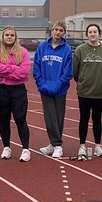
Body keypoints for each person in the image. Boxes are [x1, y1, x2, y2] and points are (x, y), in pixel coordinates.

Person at [0, 25, 34, 161]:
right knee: (4, 119)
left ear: (15, 37)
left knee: (20, 119)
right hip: (0, 89)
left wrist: (7, 72)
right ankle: (6, 147)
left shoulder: (23, 52)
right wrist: (14, 68)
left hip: (18, 90)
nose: (9, 37)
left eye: (12, 35)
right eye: (7, 35)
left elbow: (24, 71)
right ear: (2, 37)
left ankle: (25, 149)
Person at [72, 22, 102, 159]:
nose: (92, 34)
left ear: (99, 33)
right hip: (84, 91)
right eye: (90, 32)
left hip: (99, 91)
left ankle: (98, 146)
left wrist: (99, 80)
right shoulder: (80, 50)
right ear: (87, 34)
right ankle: (82, 146)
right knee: (84, 118)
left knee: (97, 119)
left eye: (95, 32)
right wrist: (82, 81)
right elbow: (75, 71)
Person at [34, 20, 74, 158]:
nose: (58, 32)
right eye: (56, 29)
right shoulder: (42, 47)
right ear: (52, 30)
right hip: (45, 88)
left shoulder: (66, 49)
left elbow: (68, 71)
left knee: (58, 117)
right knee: (49, 117)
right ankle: (56, 144)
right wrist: (41, 83)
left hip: (60, 89)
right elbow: (36, 66)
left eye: (61, 30)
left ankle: (55, 144)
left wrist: (59, 84)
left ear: (64, 33)